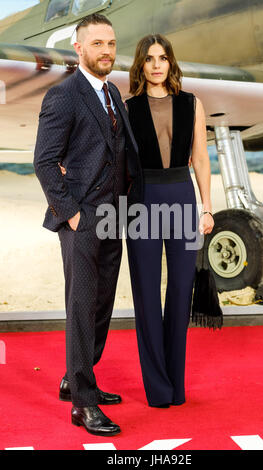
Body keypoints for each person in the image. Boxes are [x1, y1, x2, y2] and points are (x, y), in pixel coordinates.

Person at [34, 13, 142, 436]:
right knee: (81, 306)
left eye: (111, 44)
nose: (107, 51)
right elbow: (44, 161)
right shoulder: (64, 95)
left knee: (101, 304)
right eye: (97, 44)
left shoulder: (114, 93)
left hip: (115, 214)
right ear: (79, 48)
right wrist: (73, 214)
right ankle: (82, 403)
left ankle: (77, 378)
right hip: (82, 217)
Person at [125, 34, 214, 408]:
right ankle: (158, 389)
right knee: (146, 295)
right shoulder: (128, 108)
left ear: (171, 62)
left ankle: (176, 385)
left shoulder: (192, 104)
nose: (157, 64)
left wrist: (207, 207)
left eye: (163, 58)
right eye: (150, 59)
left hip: (182, 195)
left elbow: (201, 160)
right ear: (141, 65)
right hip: (141, 202)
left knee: (180, 290)